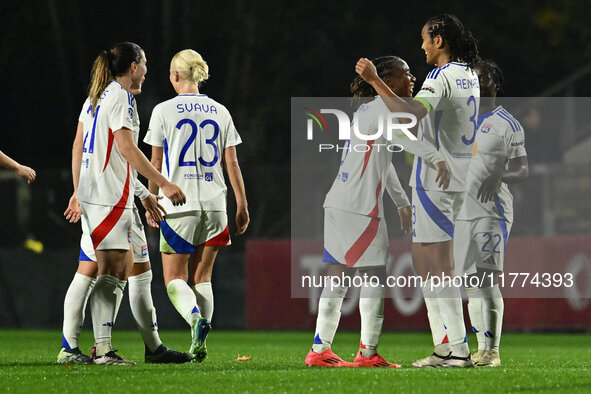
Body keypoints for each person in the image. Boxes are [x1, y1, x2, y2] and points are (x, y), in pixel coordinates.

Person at [356, 14, 480, 367]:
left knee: (438, 267)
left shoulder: (441, 76)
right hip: (458, 177)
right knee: (426, 265)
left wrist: (375, 81)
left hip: (436, 182)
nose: (422, 45)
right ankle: (444, 348)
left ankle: (459, 351)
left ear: (439, 40)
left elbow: (411, 113)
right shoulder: (469, 73)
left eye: (425, 39)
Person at [305, 56, 446, 368]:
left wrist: (401, 203)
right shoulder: (382, 107)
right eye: (406, 74)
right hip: (360, 208)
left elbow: (384, 161)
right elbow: (402, 139)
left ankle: (319, 349)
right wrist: (436, 157)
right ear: (389, 80)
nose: (413, 79)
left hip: (340, 203)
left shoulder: (368, 110)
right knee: (373, 277)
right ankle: (367, 354)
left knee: (338, 276)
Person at [57, 83, 193, 364]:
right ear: (132, 67)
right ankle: (88, 348)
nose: (146, 72)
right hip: (109, 199)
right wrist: (160, 186)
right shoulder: (120, 97)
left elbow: (81, 145)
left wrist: (80, 189)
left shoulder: (94, 98)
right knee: (105, 271)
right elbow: (127, 150)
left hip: (115, 196)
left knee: (137, 271)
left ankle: (152, 348)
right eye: (143, 64)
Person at [144, 49, 249, 362]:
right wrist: (241, 203)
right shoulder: (220, 111)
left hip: (179, 203)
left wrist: (152, 199)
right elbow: (232, 162)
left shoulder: (163, 110)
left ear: (176, 76)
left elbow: (156, 161)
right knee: (203, 277)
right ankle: (198, 346)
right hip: (216, 204)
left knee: (174, 278)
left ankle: (194, 320)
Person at [455, 60, 528, 367]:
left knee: (486, 278)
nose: (478, 82)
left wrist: (501, 176)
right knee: (468, 282)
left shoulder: (507, 124)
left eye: (483, 77)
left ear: (495, 83)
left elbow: (523, 170)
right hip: (461, 211)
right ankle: (478, 348)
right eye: (474, 77)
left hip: (492, 210)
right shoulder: (461, 121)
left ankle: (492, 350)